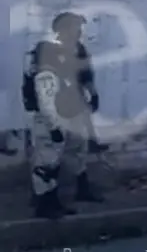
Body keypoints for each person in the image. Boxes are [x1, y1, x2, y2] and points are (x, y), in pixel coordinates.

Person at [25, 12, 105, 219]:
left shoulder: (77, 49)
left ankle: (82, 189)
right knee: (48, 157)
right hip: (52, 111)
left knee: (77, 149)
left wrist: (93, 94)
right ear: (61, 29)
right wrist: (52, 124)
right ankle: (45, 203)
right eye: (75, 26)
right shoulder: (47, 50)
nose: (79, 31)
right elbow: (44, 90)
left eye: (79, 27)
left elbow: (86, 75)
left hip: (74, 107)